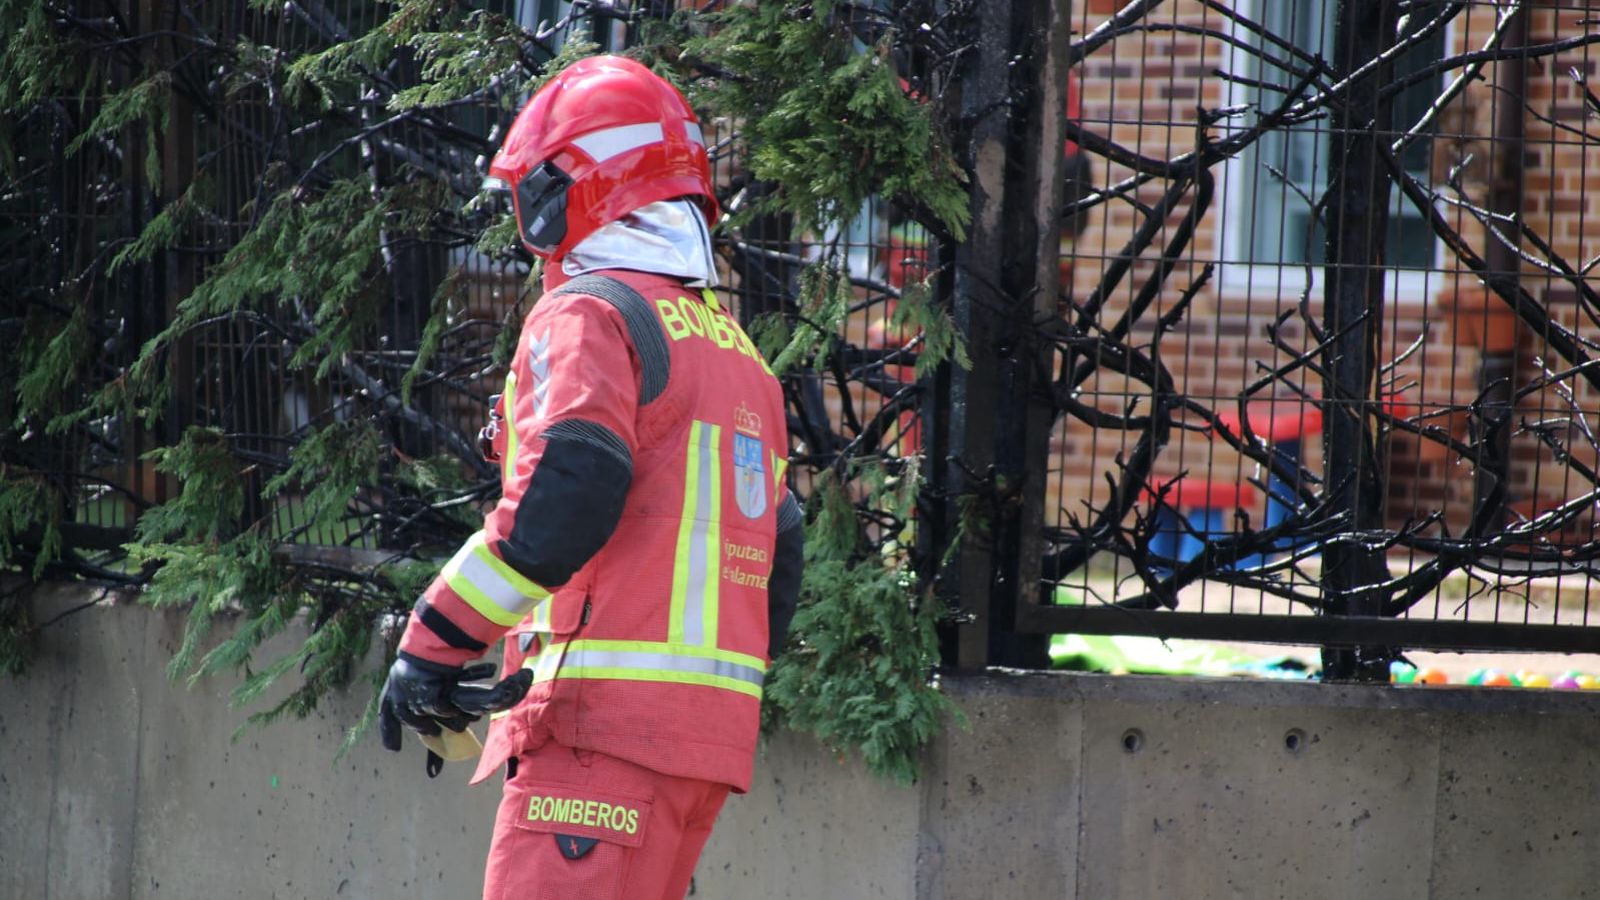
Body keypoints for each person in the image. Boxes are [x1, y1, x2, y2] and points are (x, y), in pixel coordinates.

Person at [377, 54, 804, 900]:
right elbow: (779, 552)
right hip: (699, 757)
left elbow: (565, 498)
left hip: (594, 742)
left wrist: (433, 644)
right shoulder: (739, 355)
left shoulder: (589, 314)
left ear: (573, 189)